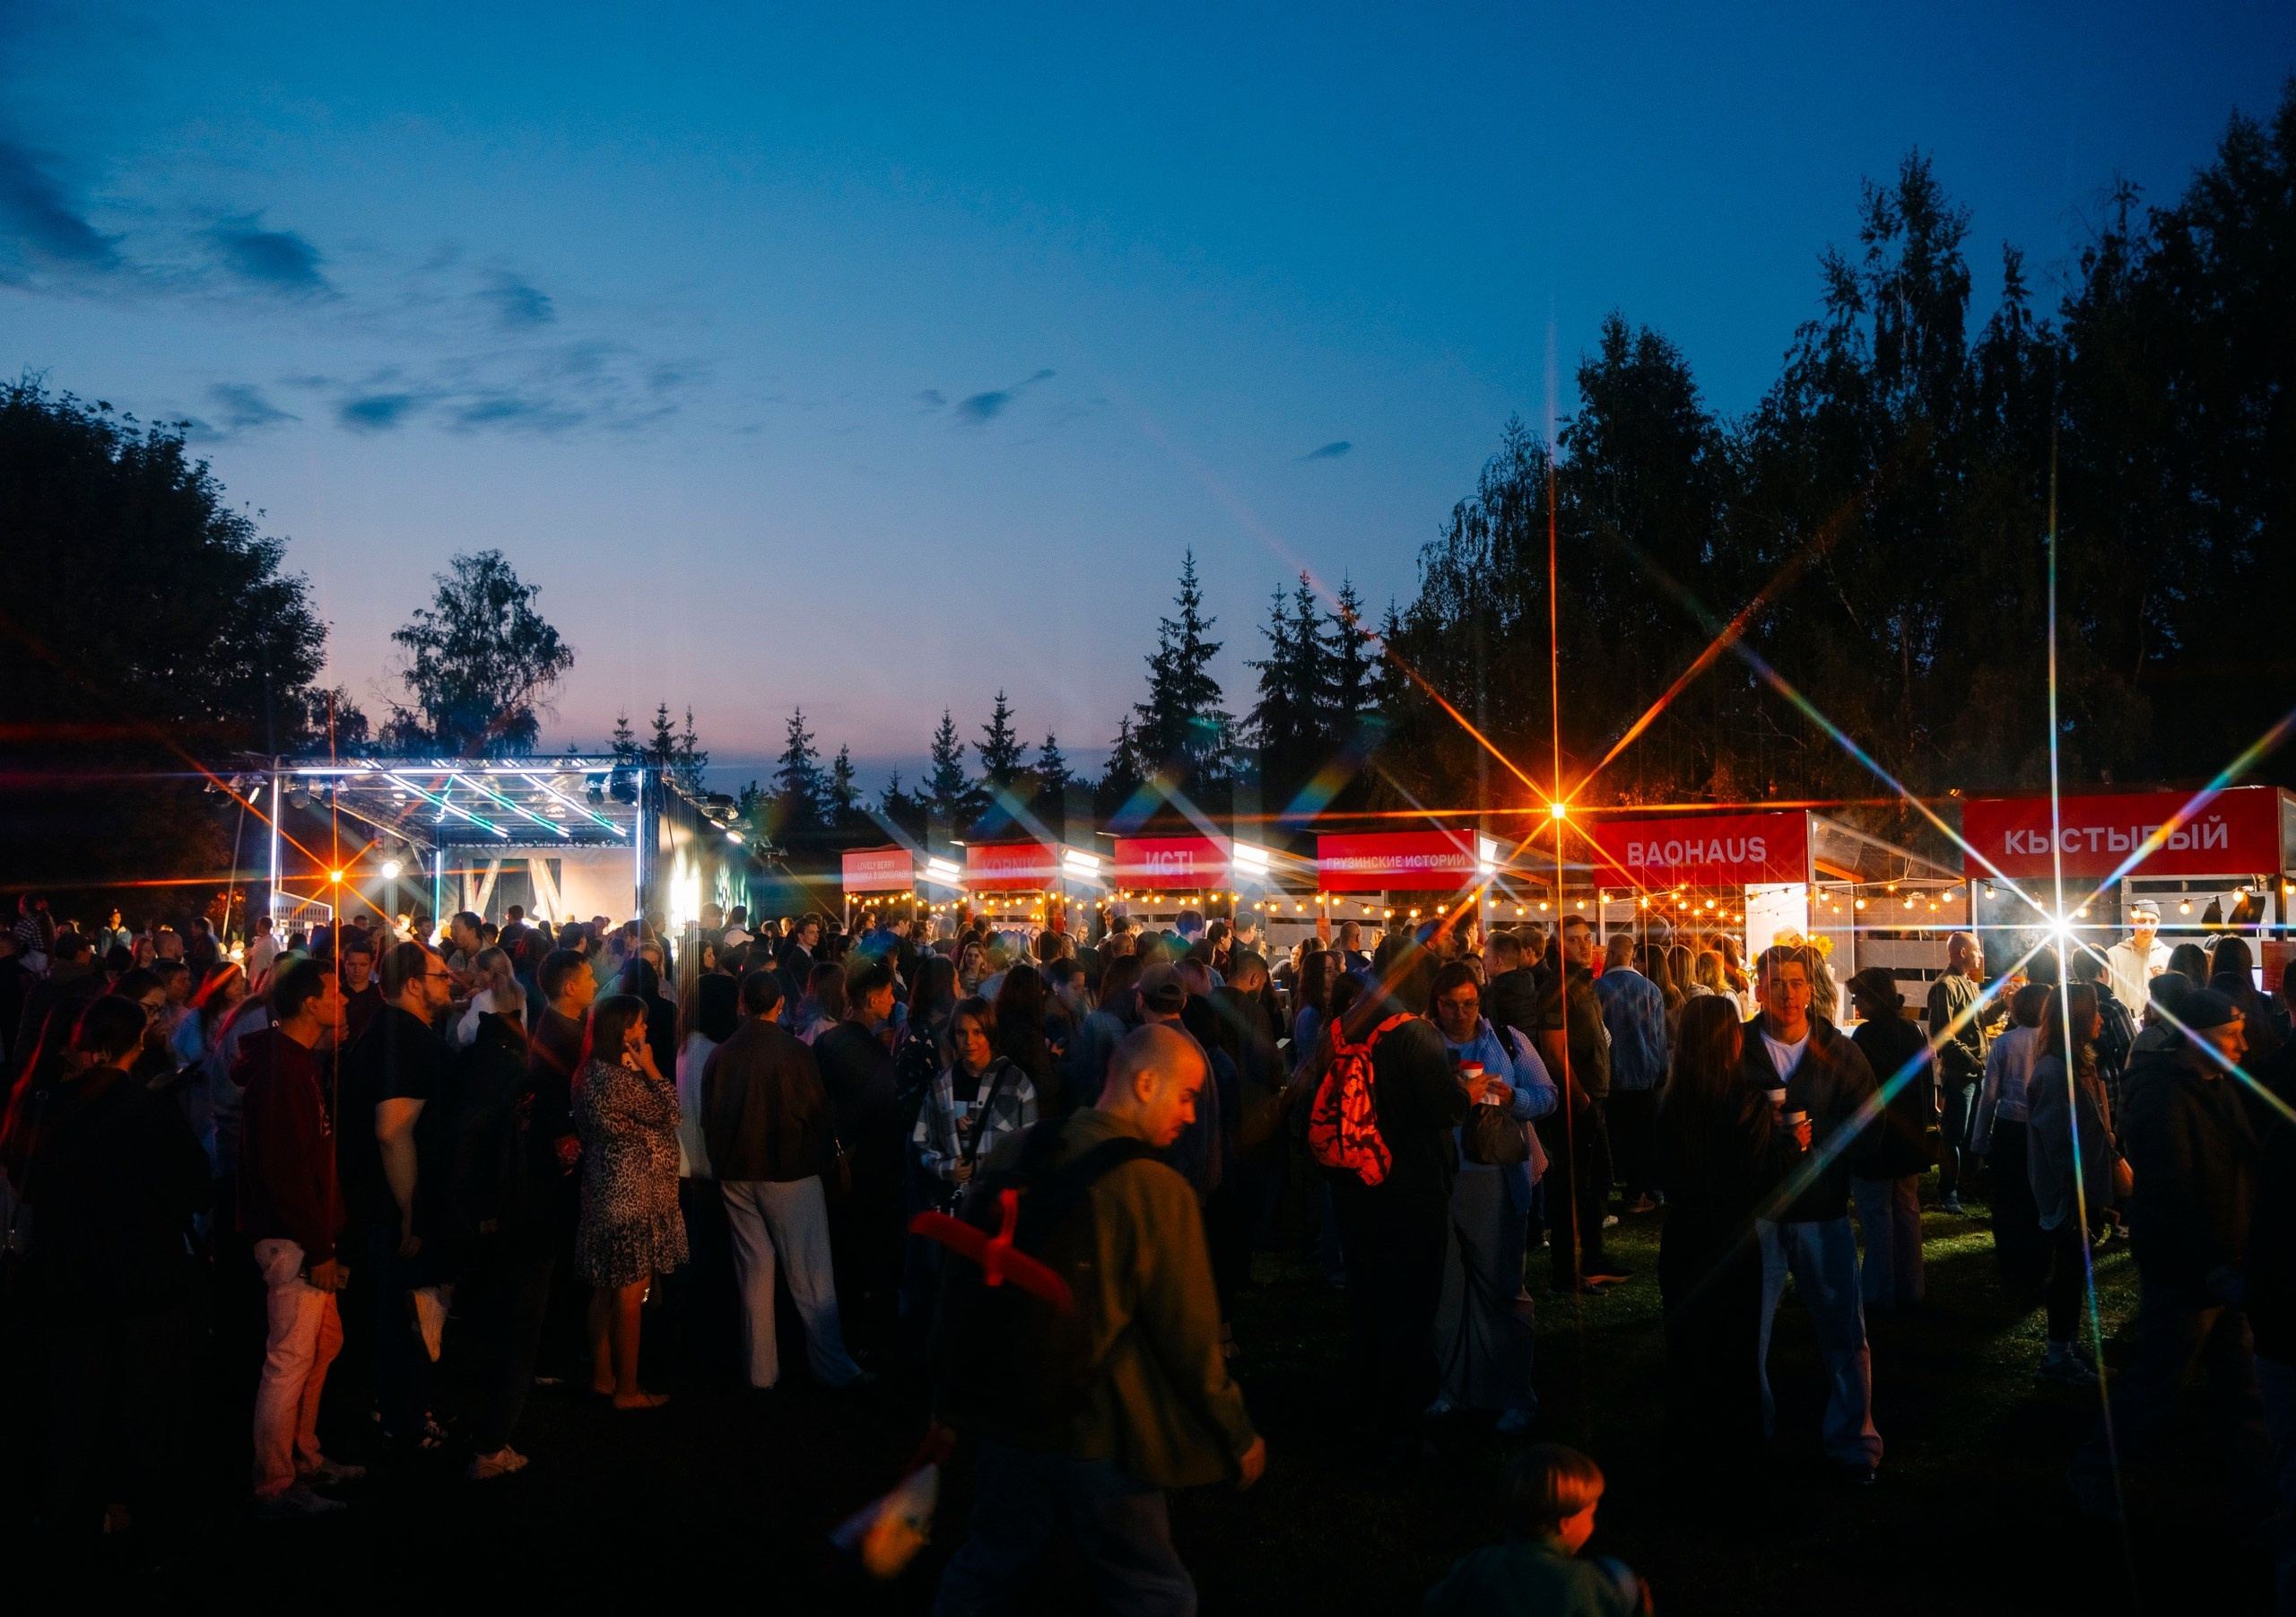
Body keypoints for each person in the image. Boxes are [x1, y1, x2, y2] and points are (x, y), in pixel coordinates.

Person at [931, 1023, 1264, 1616]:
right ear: (1143, 1081)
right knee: (1154, 1588)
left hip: (1008, 1411)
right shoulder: (1158, 1190)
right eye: (1186, 1095)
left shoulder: (1019, 1149)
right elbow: (1191, 1339)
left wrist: (954, 1401)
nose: (1191, 1115)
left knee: (986, 1567)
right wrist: (1236, 1434)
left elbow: (966, 1278)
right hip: (1103, 1431)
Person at [2071, 988, 2269, 1523]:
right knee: (2158, 1381)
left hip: (2224, 1263)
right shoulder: (2163, 1097)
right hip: (2191, 1269)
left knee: (2242, 1385)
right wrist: (2213, 1264)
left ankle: (2261, 1500)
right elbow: (2175, 1193)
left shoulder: (2216, 1086)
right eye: (2232, 1035)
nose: (2242, 1046)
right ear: (2195, 1041)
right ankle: (2093, 1466)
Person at [17, 995, 209, 1537]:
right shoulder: (146, 1108)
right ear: (136, 1040)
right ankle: (130, 1506)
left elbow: (26, 1176)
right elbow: (194, 1185)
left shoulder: (47, 1101)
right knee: (139, 1402)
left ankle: (66, 1504)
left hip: (67, 1271)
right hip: (140, 1276)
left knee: (72, 1399)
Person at [1739, 942, 1883, 1483]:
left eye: (1797, 982)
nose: (1788, 994)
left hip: (1822, 1211)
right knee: (1749, 1333)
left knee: (1845, 1333)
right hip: (1761, 1215)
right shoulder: (1738, 1048)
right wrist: (1763, 1139)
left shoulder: (1838, 1051)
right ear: (1758, 988)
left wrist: (1818, 1140)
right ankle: (1754, 1433)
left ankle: (1854, 1443)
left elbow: (1871, 1124)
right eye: (1776, 983)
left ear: (1811, 988)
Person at [235, 960, 362, 1516]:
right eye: (335, 991)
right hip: (294, 1240)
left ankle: (303, 1457)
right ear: (309, 1003)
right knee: (288, 1359)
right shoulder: (286, 1072)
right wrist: (321, 1248)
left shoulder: (298, 1063)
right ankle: (274, 1483)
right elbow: (287, 1170)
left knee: (323, 1343)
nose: (345, 999)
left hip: (305, 1235)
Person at [701, 969, 868, 1390]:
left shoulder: (721, 1054)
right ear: (779, 1005)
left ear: (743, 1004)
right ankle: (832, 1368)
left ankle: (760, 1372)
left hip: (737, 1174)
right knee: (811, 1274)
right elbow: (816, 1110)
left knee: (754, 1275)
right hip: (788, 1171)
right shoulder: (793, 1052)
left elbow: (711, 1118)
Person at [1657, 996, 1804, 1462]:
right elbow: (1761, 1181)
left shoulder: (1671, 1102)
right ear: (1732, 1039)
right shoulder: (1745, 1102)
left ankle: (1688, 1444)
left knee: (1689, 1347)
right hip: (1732, 1239)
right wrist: (1792, 1146)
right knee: (1733, 1346)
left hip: (1682, 1239)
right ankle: (1735, 1450)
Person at [449, 970, 572, 1477]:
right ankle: (492, 1445)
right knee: (520, 1337)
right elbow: (563, 1153)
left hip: (472, 1221)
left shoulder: (458, 1075)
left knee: (484, 1328)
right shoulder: (531, 1087)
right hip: (528, 1222)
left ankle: (471, 1425)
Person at [1426, 961, 1555, 1432]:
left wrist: (1512, 1096)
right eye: (1449, 1004)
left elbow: (1548, 1095)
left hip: (1497, 1176)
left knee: (1503, 1286)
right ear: (1435, 1004)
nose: (1460, 1013)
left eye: (1469, 1003)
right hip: (1441, 1177)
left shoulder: (1507, 1040)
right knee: (1447, 1290)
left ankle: (1514, 1393)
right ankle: (1454, 1388)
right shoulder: (1423, 1042)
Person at [340, 941, 454, 1448]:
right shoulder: (407, 1039)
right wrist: (412, 1212)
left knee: (383, 1315)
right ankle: (404, 1419)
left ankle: (388, 1409)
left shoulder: (379, 1032)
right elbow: (393, 1130)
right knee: (403, 1316)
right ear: (414, 984)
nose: (450, 981)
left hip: (370, 1202)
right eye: (441, 975)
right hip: (391, 1207)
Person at [574, 993, 686, 1409]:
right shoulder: (618, 1080)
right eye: (639, 1023)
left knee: (604, 1290)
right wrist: (651, 1065)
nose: (645, 1029)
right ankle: (628, 1389)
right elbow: (672, 1111)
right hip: (633, 1196)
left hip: (605, 1191)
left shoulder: (591, 1072)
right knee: (631, 1294)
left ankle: (604, 1378)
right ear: (622, 1030)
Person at [1421, 1444, 1647, 1617]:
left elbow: (1433, 1605)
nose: (1593, 1523)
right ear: (1564, 1523)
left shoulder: (1480, 1563)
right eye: (1590, 1514)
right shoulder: (1587, 1583)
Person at [2024, 984, 2118, 1387]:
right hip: (2068, 1197)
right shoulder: (2053, 1073)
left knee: (2076, 1273)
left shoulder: (2077, 1066)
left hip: (2083, 1192)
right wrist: (2076, 1196)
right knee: (2067, 1274)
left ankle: (2069, 1346)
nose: (2101, 1019)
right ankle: (2057, 1356)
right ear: (2078, 1018)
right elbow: (2060, 1143)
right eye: (2095, 1012)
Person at [815, 960, 904, 1351]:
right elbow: (884, 1115)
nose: (892, 999)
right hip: (864, 1167)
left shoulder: (826, 1042)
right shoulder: (871, 1054)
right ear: (871, 999)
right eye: (887, 993)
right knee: (862, 1256)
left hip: (833, 1163)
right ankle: (858, 1343)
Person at [1535, 917, 1624, 1294]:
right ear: (1559, 946)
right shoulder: (1557, 988)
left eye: (1587, 938)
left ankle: (1591, 1259)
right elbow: (1554, 1052)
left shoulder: (1582, 983)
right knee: (1573, 1186)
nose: (1585, 945)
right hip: (1577, 1102)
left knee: (1596, 1180)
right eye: (1574, 940)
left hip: (1593, 1097)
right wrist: (1583, 1100)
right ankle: (1566, 1272)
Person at [1846, 968, 1935, 1312]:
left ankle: (1879, 1290)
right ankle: (1912, 1286)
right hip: (1908, 1134)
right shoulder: (1912, 1031)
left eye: (1858, 996)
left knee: (1876, 1215)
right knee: (1906, 1211)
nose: (1855, 1002)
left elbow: (1858, 1089)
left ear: (1872, 997)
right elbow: (1925, 1081)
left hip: (1876, 1137)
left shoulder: (1865, 1037)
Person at [914, 996, 1038, 1201]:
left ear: (989, 1033)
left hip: (999, 1201)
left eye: (977, 1032)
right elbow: (924, 1141)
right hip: (958, 1202)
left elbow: (1030, 1147)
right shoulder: (942, 1087)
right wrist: (946, 1168)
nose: (969, 1041)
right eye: (962, 1032)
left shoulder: (1016, 1083)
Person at [1971, 982, 2050, 1291]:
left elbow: (1988, 1096)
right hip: (2041, 1128)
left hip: (2009, 1129)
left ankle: (2010, 1265)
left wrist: (1979, 1142)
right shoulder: (2052, 1041)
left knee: (2007, 1200)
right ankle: (2038, 1264)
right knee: (2038, 1198)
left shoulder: (2004, 1043)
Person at [1592, 934, 1665, 1216]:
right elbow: (1658, 1037)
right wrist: (1660, 1072)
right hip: (1643, 1075)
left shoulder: (1597, 988)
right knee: (1642, 1140)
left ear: (1610, 954)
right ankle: (1638, 1192)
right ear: (1632, 955)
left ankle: (1606, 1191)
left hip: (1609, 1075)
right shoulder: (1651, 990)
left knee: (1609, 1138)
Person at [1926, 931, 1990, 1215]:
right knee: (1953, 1134)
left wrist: (2002, 1004)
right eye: (1976, 950)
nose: (1980, 955)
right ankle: (1948, 1193)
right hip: (1960, 1075)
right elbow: (1942, 1035)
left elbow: (1978, 1022)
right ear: (1962, 952)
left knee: (1971, 1134)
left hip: (1974, 1074)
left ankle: (1966, 1187)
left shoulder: (1967, 983)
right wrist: (1973, 1061)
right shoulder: (1945, 987)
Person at [2104, 898, 2172, 1021]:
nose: (2147, 927)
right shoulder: (2114, 954)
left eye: (2152, 921)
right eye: (2142, 921)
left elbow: (2174, 998)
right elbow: (2105, 994)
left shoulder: (2168, 955)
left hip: (2154, 1025)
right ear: (2132, 921)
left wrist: (2166, 979)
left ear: (2159, 923)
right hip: (2121, 1024)